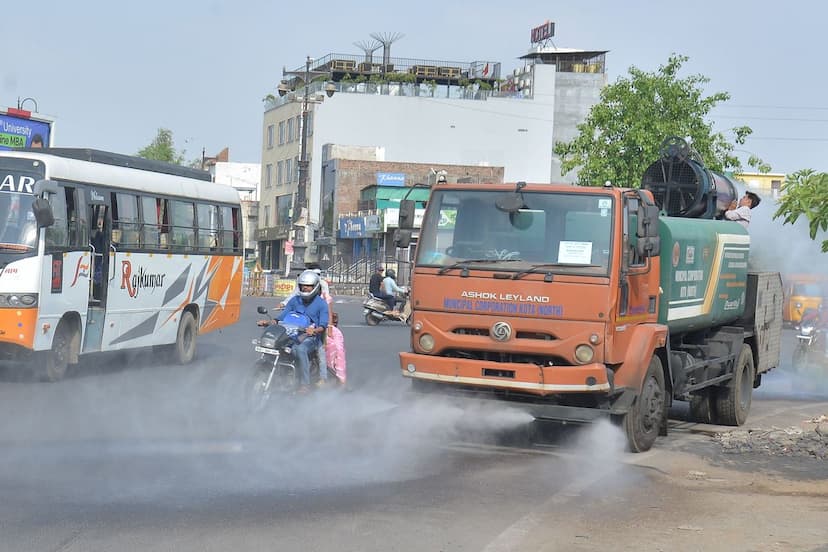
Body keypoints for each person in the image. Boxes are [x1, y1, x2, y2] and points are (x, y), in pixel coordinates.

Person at [268, 270, 329, 394]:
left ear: (315, 287)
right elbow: (283, 315)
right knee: (273, 344)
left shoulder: (321, 304)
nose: (305, 288)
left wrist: (314, 330)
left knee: (299, 349)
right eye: (303, 285)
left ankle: (304, 384)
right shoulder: (295, 300)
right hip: (291, 334)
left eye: (308, 286)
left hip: (310, 338)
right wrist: (272, 321)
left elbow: (323, 325)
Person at [325, 312, 347, 386]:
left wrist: (329, 329)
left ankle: (340, 379)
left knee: (338, 349)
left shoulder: (326, 301)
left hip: (325, 328)